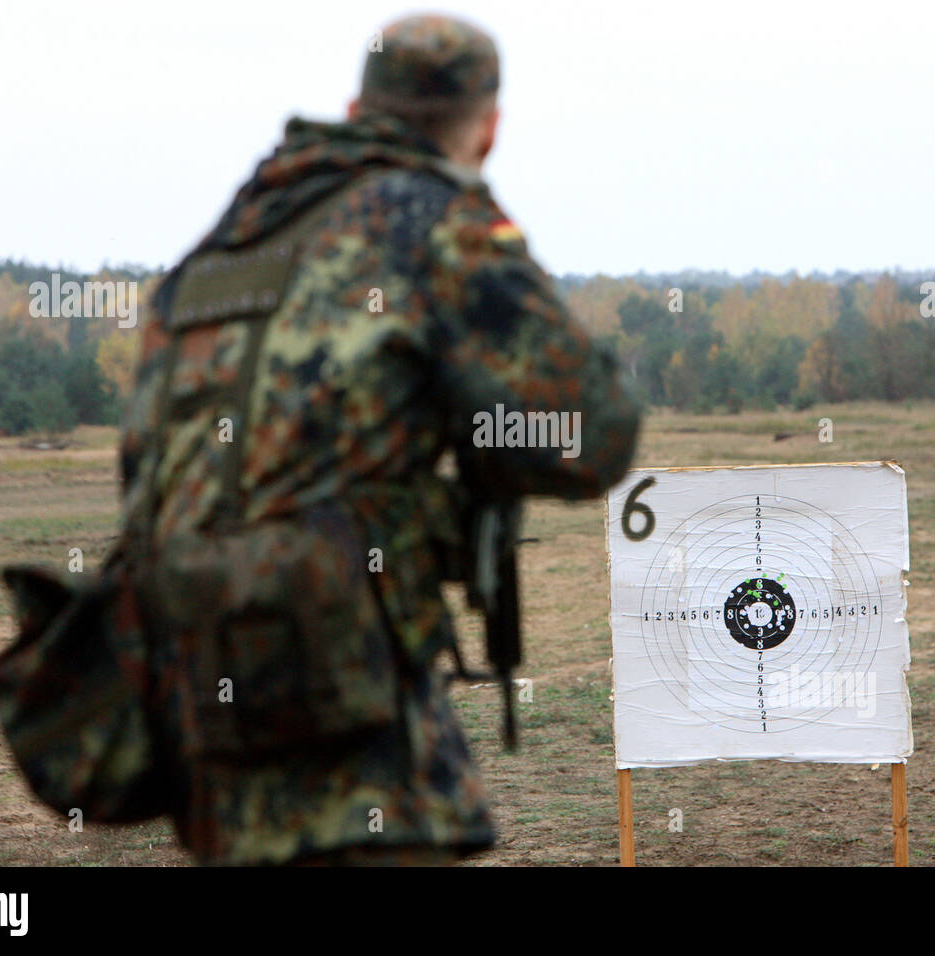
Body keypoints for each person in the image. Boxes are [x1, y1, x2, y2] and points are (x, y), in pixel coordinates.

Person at [117, 12, 640, 865]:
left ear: (357, 107)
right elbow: (591, 433)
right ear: (490, 126)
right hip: (337, 687)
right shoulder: (434, 221)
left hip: (187, 690)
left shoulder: (238, 233)